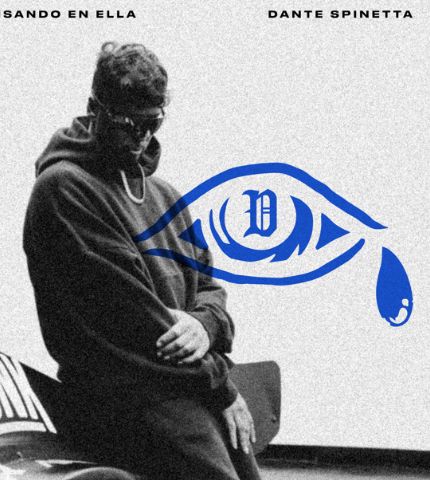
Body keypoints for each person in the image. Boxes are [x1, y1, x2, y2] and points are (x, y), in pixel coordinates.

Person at [23, 41, 262, 480]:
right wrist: (223, 387)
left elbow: (210, 287)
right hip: (122, 397)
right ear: (95, 109)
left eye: (152, 124)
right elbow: (135, 318)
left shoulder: (167, 196)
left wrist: (205, 325)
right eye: (128, 125)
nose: (141, 139)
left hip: (187, 386)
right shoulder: (63, 188)